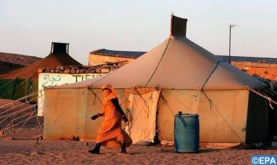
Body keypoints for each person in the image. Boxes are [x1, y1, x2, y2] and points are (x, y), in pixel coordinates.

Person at [88, 84, 132, 154]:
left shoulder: (113, 97)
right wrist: (97, 115)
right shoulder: (106, 99)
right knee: (118, 131)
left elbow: (118, 107)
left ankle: (97, 148)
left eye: (106, 90)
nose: (104, 91)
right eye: (103, 90)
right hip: (109, 117)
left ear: (110, 90)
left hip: (113, 118)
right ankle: (123, 149)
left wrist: (123, 115)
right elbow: (105, 109)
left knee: (101, 131)